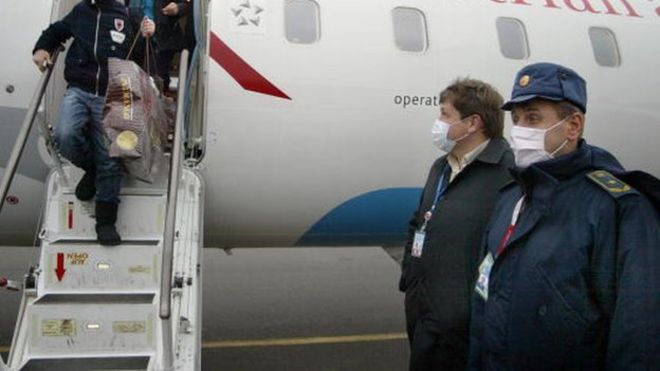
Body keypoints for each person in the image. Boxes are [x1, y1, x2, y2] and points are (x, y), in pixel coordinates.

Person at [468, 62, 660, 370]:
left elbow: (638, 333)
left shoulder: (618, 208)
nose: (520, 131)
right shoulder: (510, 199)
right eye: (516, 120)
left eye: (533, 118)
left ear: (573, 126)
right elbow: (484, 301)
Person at [399, 78, 514, 370]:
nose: (438, 122)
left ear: (473, 123)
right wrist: (411, 281)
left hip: (466, 329)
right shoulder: (441, 167)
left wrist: (467, 309)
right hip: (424, 316)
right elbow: (418, 223)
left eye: (445, 114)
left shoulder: (508, 173)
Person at [32, 0, 155, 246]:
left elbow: (141, 56)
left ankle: (106, 222)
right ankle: (93, 167)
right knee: (65, 136)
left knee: (110, 161)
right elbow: (56, 31)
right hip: (79, 89)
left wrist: (146, 35)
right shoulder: (82, 11)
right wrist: (41, 49)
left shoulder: (130, 15)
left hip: (113, 94)